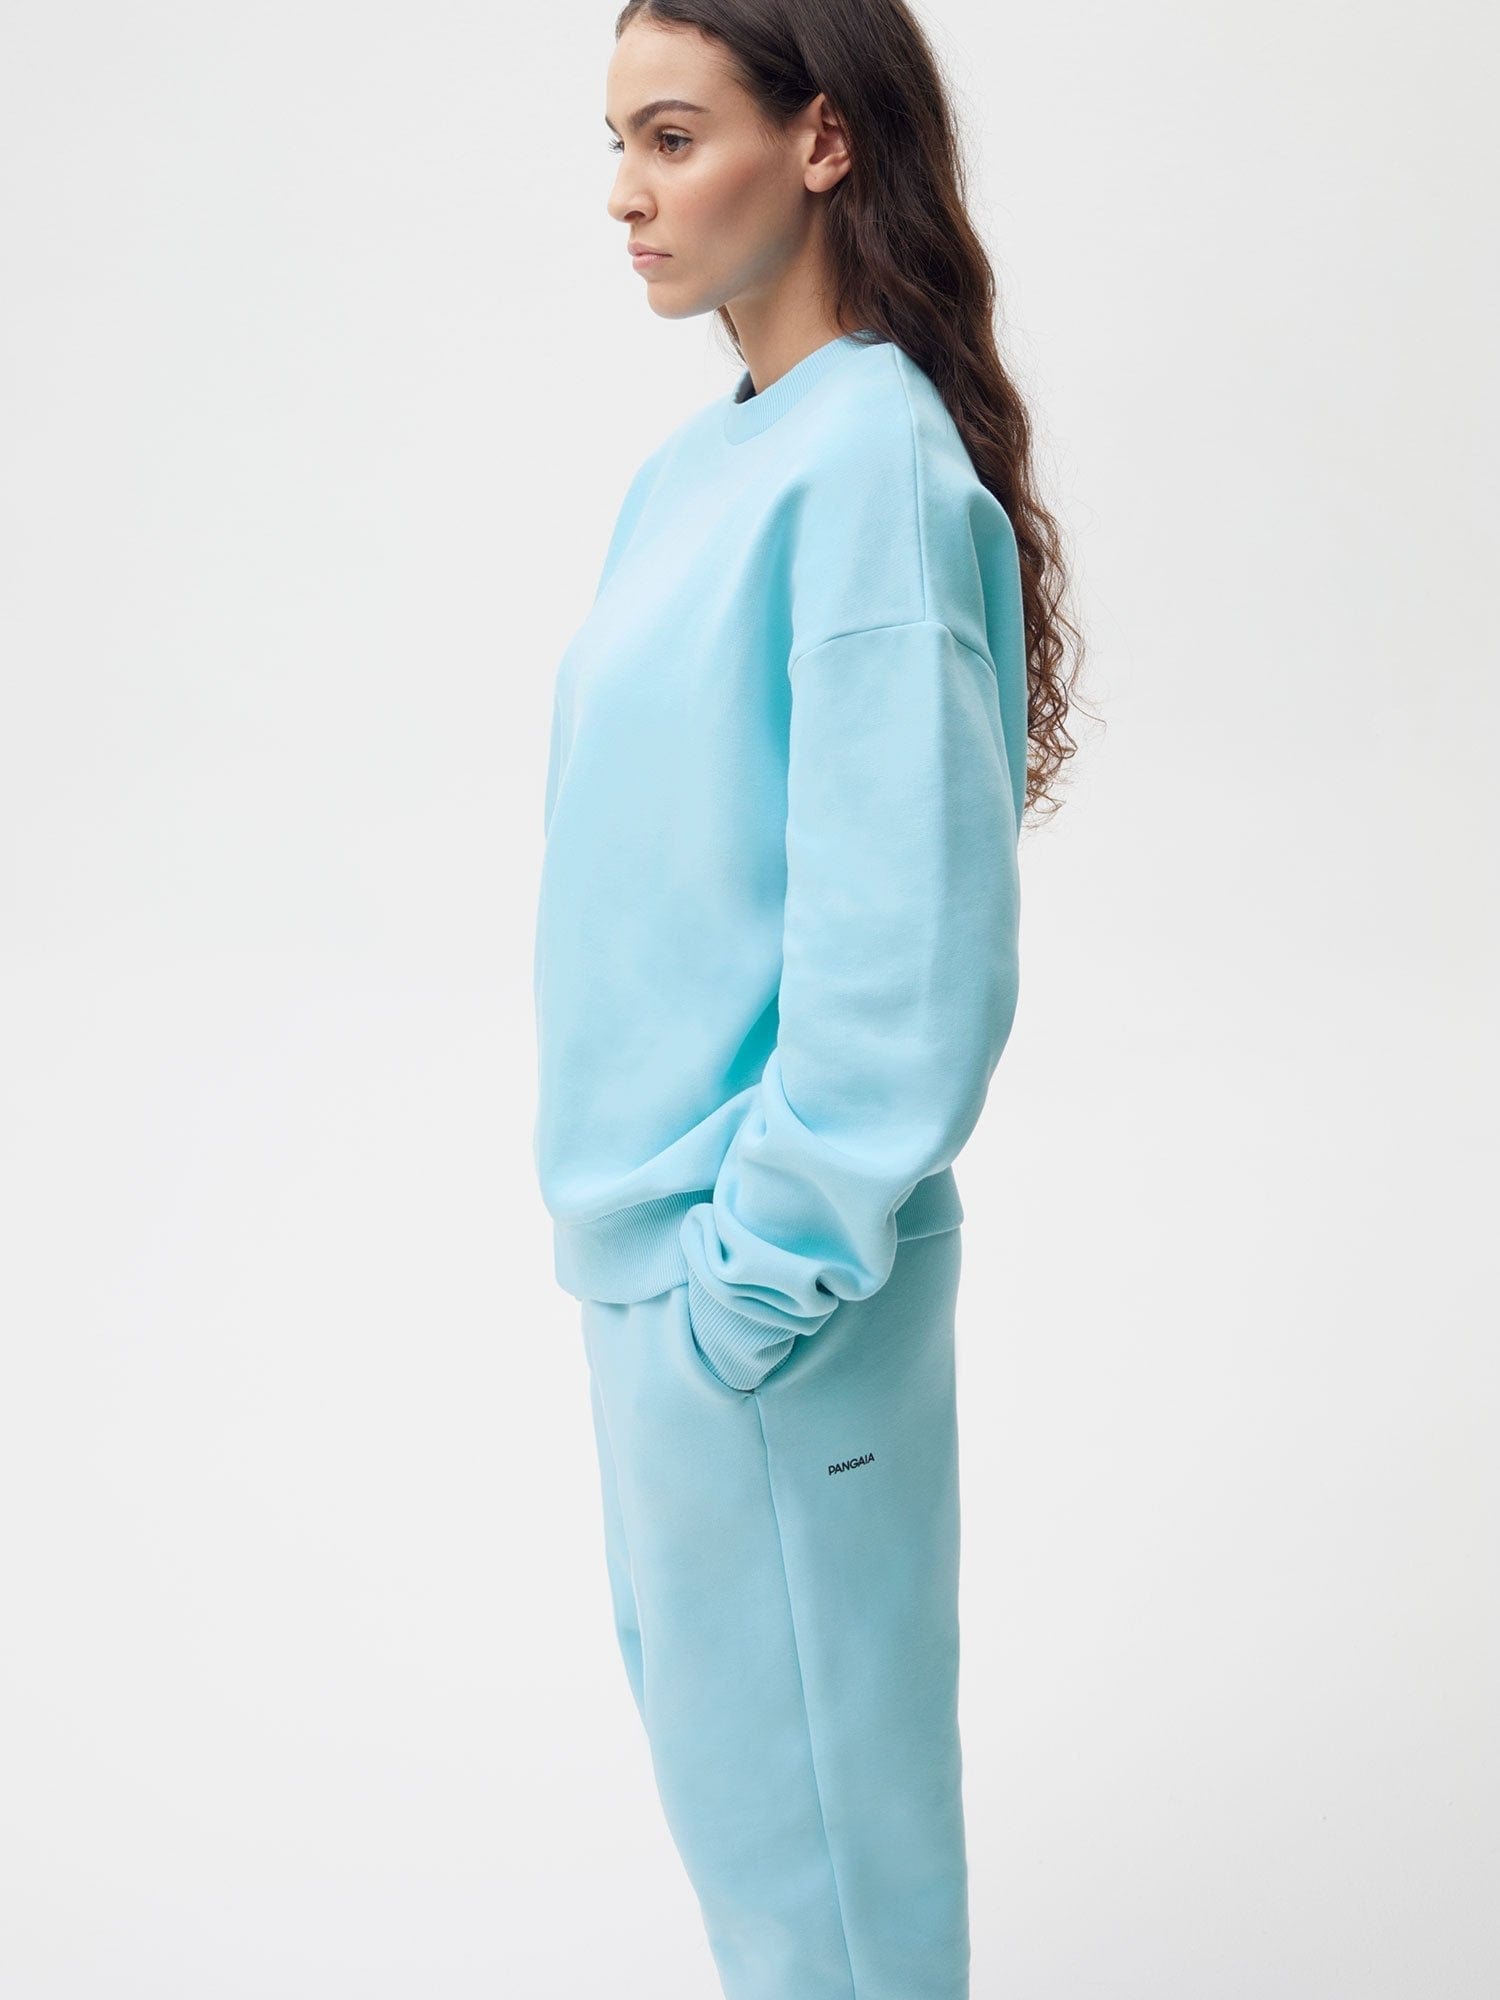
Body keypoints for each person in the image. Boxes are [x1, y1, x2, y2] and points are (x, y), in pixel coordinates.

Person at [531, 3, 1081, 1994]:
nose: (626, 192)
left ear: (825, 141)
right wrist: (664, 1300)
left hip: (767, 1304)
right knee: (766, 1876)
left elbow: (905, 955)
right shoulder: (705, 470)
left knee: (837, 1898)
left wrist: (748, 1293)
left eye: (674, 137)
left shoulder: (870, 469)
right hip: (661, 1288)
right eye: (616, 141)